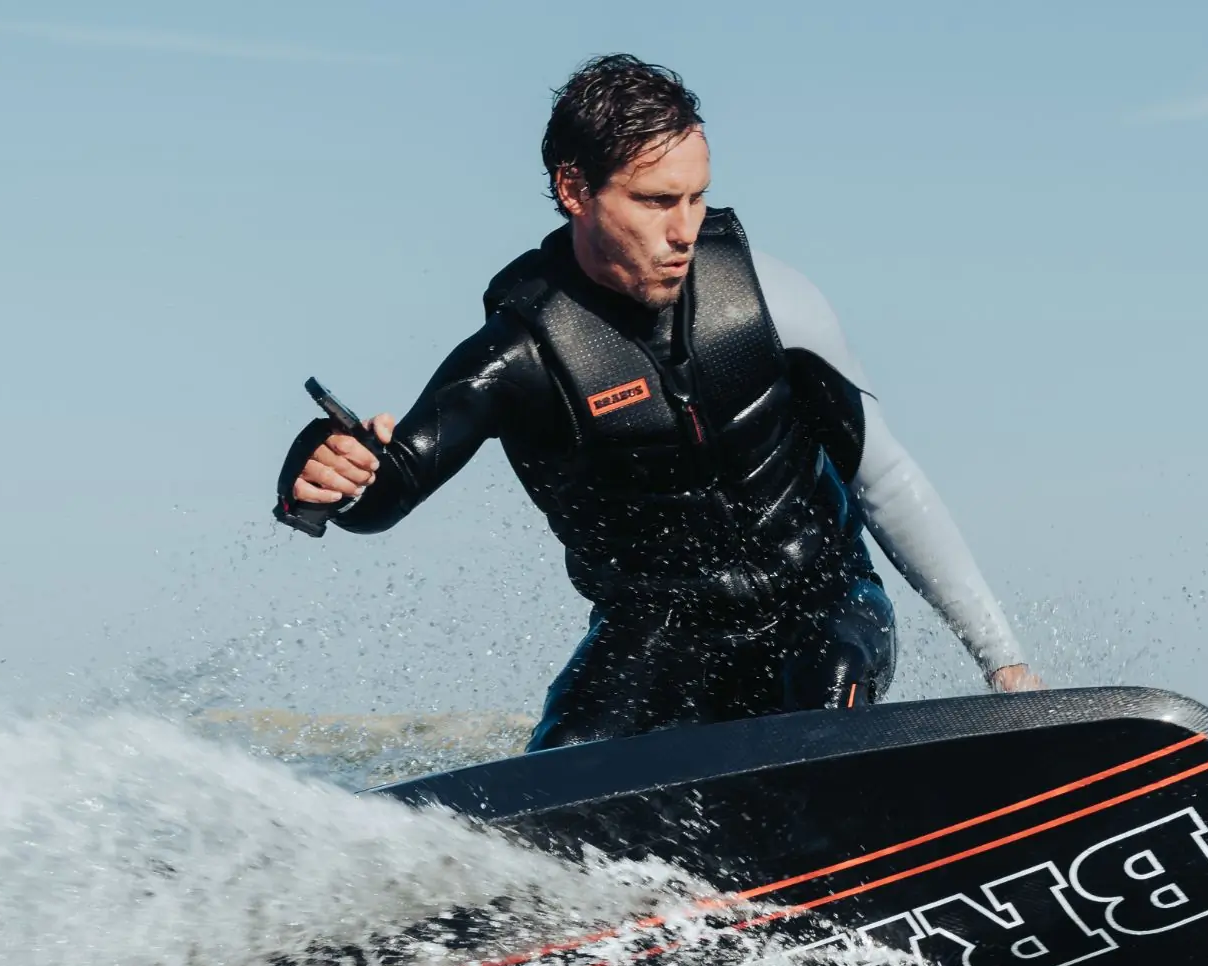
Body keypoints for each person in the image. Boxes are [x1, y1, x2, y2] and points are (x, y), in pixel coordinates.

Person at [276, 55, 1039, 751]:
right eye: (654, 201)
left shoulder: (768, 301)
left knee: (819, 709)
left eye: (696, 198)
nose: (684, 231)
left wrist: (1004, 664)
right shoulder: (518, 357)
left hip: (820, 601)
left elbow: (885, 477)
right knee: (563, 767)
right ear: (575, 190)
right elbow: (380, 495)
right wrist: (326, 466)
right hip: (658, 629)